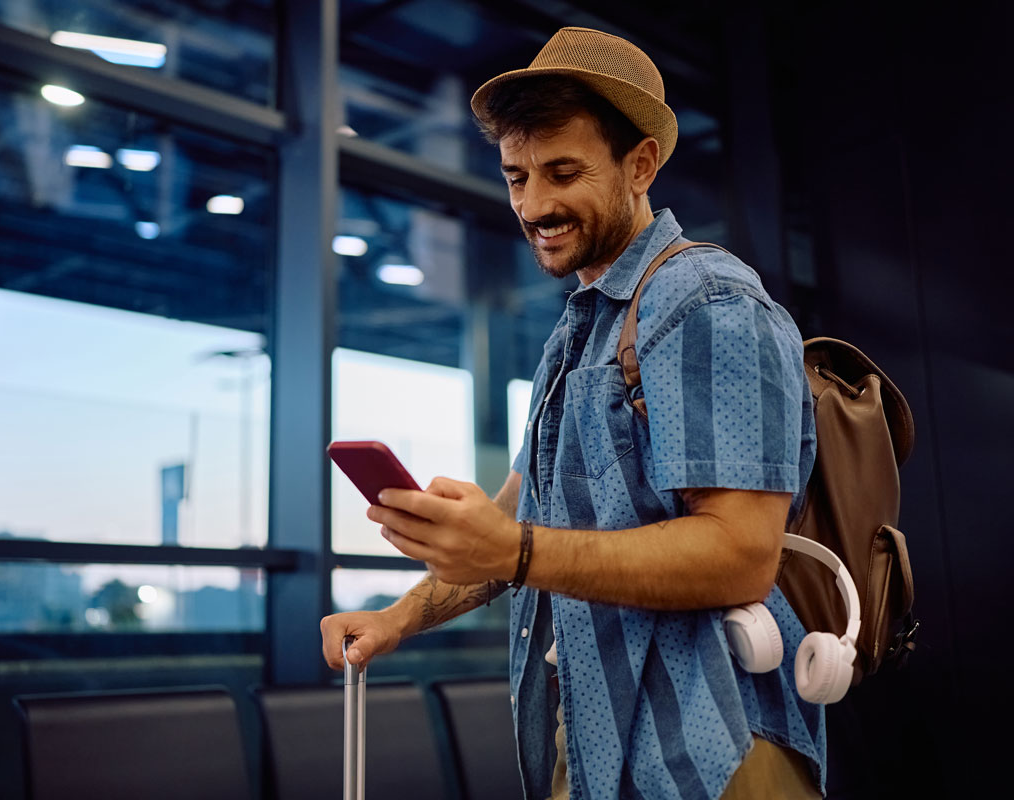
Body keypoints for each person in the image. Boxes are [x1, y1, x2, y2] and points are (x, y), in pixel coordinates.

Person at [320, 27, 822, 799]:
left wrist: (513, 550)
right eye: (517, 177)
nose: (535, 205)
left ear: (641, 164)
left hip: (708, 750)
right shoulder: (577, 332)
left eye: (563, 173)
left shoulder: (709, 305)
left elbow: (741, 553)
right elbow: (525, 523)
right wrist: (401, 617)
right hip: (591, 739)